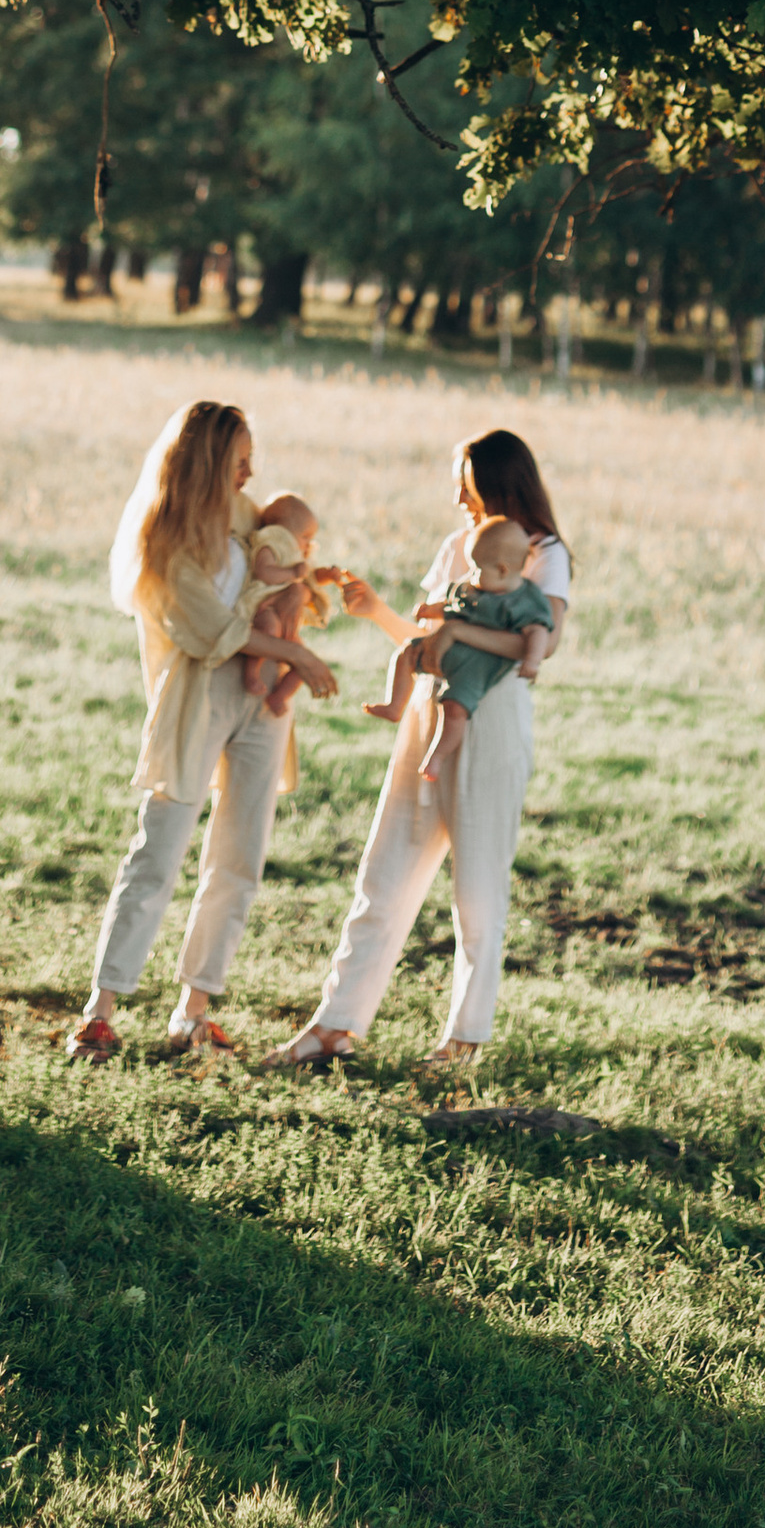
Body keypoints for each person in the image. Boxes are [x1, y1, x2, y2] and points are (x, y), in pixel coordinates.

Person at [275, 427, 571, 1076]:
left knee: (478, 885)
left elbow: (537, 649)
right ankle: (333, 1025)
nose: (459, 499)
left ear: (497, 484)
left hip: (490, 725)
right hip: (428, 710)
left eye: (467, 486)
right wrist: (380, 611)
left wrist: (460, 629)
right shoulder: (457, 547)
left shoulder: (544, 554)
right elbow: (427, 634)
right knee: (385, 871)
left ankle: (465, 1038)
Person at [67, 399, 339, 1063]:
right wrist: (297, 656)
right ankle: (100, 1010)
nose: (250, 475)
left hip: (261, 703)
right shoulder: (165, 539)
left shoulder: (249, 518)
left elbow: (279, 571)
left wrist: (306, 583)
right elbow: (210, 633)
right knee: (158, 850)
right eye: (240, 462)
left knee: (239, 855)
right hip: (200, 693)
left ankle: (194, 1009)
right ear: (212, 462)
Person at [363, 513, 555, 791]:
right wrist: (432, 610)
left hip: (474, 668)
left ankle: (437, 757)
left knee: (454, 709)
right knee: (405, 654)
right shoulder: (476, 587)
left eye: (477, 569)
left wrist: (533, 662)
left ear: (502, 569)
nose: (471, 575)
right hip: (443, 651)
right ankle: (394, 704)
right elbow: (455, 604)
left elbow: (537, 633)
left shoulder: (524, 601)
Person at [241, 491, 334, 716]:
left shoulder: (295, 556)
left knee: (303, 662)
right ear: (284, 531)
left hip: (286, 623)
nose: (308, 544)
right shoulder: (270, 544)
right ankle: (251, 674)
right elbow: (263, 572)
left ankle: (279, 696)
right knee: (269, 628)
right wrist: (291, 572)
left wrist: (326, 575)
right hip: (265, 608)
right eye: (305, 537)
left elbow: (307, 579)